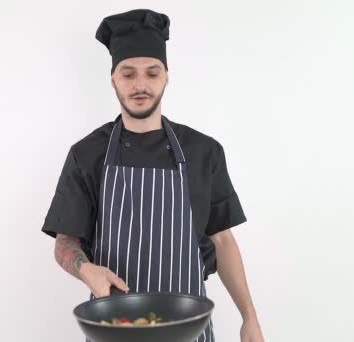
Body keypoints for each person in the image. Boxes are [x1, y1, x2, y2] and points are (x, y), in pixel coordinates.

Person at [42, 9, 265, 342]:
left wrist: (249, 318)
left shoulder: (204, 152)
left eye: (152, 72)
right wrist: (86, 270)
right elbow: (65, 242)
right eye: (128, 74)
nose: (140, 85)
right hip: (114, 330)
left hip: (190, 330)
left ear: (166, 76)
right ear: (113, 79)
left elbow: (223, 240)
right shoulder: (86, 154)